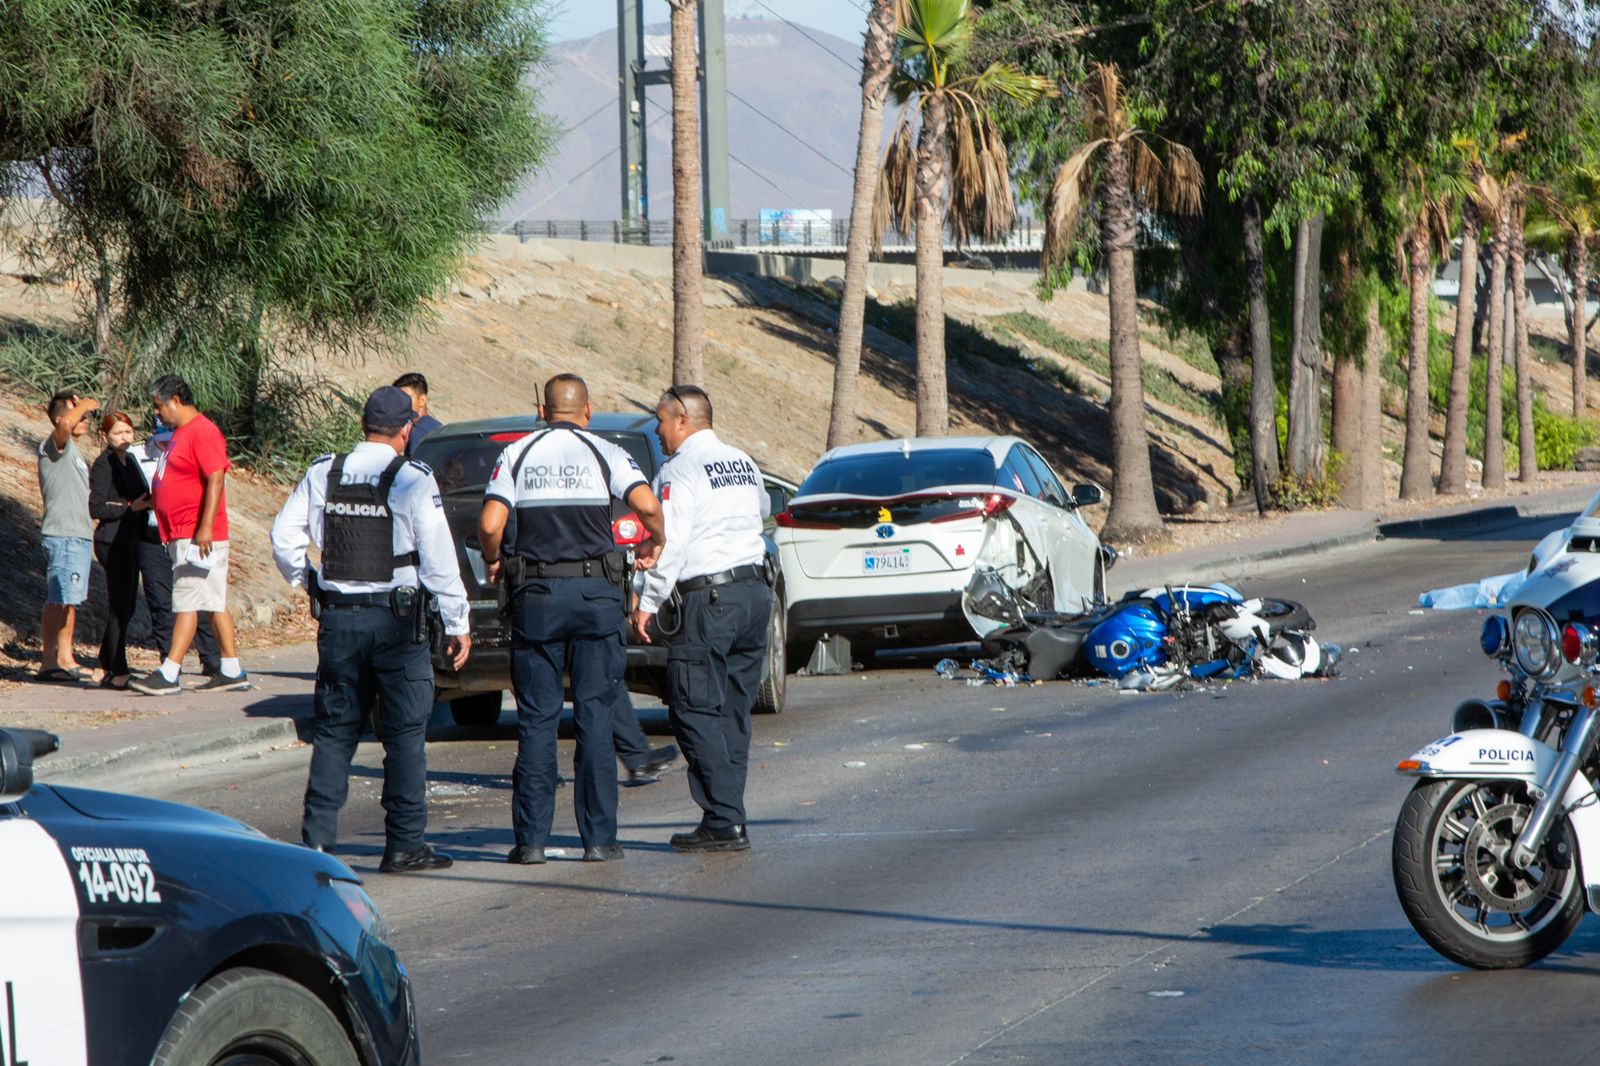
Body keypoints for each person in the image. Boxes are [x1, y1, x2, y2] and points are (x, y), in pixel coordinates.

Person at [270, 386, 472, 873]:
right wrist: (458, 620)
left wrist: (310, 583)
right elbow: (440, 560)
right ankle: (404, 846)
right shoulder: (411, 477)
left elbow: (283, 537)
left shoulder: (325, 471)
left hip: (339, 619)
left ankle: (317, 842)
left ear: (363, 425)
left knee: (336, 732)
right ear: (406, 430)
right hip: (397, 624)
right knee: (404, 735)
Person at [478, 374, 664, 865]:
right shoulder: (605, 452)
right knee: (596, 720)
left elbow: (491, 524)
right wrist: (654, 539)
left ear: (543, 410)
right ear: (587, 411)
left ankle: (532, 842)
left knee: (537, 722)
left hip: (537, 596)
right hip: (596, 598)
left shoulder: (517, 454)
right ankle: (599, 841)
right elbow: (647, 505)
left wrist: (494, 558)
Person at [633, 385, 772, 853]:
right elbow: (763, 510)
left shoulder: (680, 469)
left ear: (683, 421)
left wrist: (648, 602)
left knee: (693, 708)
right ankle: (725, 816)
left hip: (710, 599)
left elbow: (669, 541)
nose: (657, 430)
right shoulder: (742, 461)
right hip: (754, 595)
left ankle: (725, 819)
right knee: (732, 710)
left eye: (661, 421)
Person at [131, 375, 250, 695]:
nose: (157, 413)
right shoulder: (182, 434)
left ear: (176, 401)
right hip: (183, 532)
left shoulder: (203, 431)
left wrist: (206, 526)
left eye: (159, 406)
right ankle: (232, 669)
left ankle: (169, 672)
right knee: (212, 601)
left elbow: (215, 478)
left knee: (185, 599)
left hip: (197, 533)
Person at [132, 420, 222, 676]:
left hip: (185, 535)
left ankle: (212, 658)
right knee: (161, 602)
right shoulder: (137, 454)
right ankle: (171, 661)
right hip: (151, 535)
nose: (166, 442)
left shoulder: (188, 450)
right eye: (163, 438)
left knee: (198, 598)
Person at [36, 389, 99, 683]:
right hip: (62, 534)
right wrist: (85, 402)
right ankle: (48, 661)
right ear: (61, 419)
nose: (85, 418)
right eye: (79, 414)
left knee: (69, 600)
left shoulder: (73, 452)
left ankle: (65, 657)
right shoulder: (53, 445)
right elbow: (62, 426)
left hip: (78, 534)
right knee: (58, 597)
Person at [88, 412, 153, 689]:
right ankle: (119, 670)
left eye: (128, 432)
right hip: (112, 541)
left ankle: (103, 665)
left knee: (126, 607)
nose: (125, 438)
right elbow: (97, 507)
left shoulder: (132, 460)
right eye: (118, 433)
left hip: (132, 537)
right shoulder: (104, 464)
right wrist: (130, 507)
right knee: (120, 607)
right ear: (105, 436)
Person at [393, 372, 442, 457]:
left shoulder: (418, 433)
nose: (401, 403)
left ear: (422, 400)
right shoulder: (435, 427)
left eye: (406, 398)